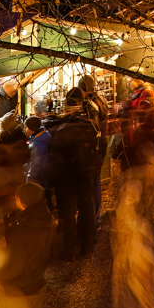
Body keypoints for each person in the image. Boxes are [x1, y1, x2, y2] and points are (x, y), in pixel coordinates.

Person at [47, 88, 105, 259]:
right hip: (86, 177)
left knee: (68, 215)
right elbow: (101, 148)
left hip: (67, 180)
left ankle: (69, 250)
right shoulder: (90, 126)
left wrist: (54, 181)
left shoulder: (61, 131)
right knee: (87, 212)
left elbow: (55, 159)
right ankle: (86, 248)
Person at [119, 77, 154, 166]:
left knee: (145, 161)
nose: (129, 84)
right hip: (138, 132)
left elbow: (143, 112)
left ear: (136, 80)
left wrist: (128, 111)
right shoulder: (137, 92)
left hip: (145, 133)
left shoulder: (145, 92)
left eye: (130, 82)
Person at [25, 115, 52, 188]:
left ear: (30, 128)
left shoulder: (37, 144)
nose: (25, 130)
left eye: (26, 127)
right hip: (43, 178)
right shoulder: (44, 135)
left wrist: (30, 180)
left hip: (38, 181)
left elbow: (36, 165)